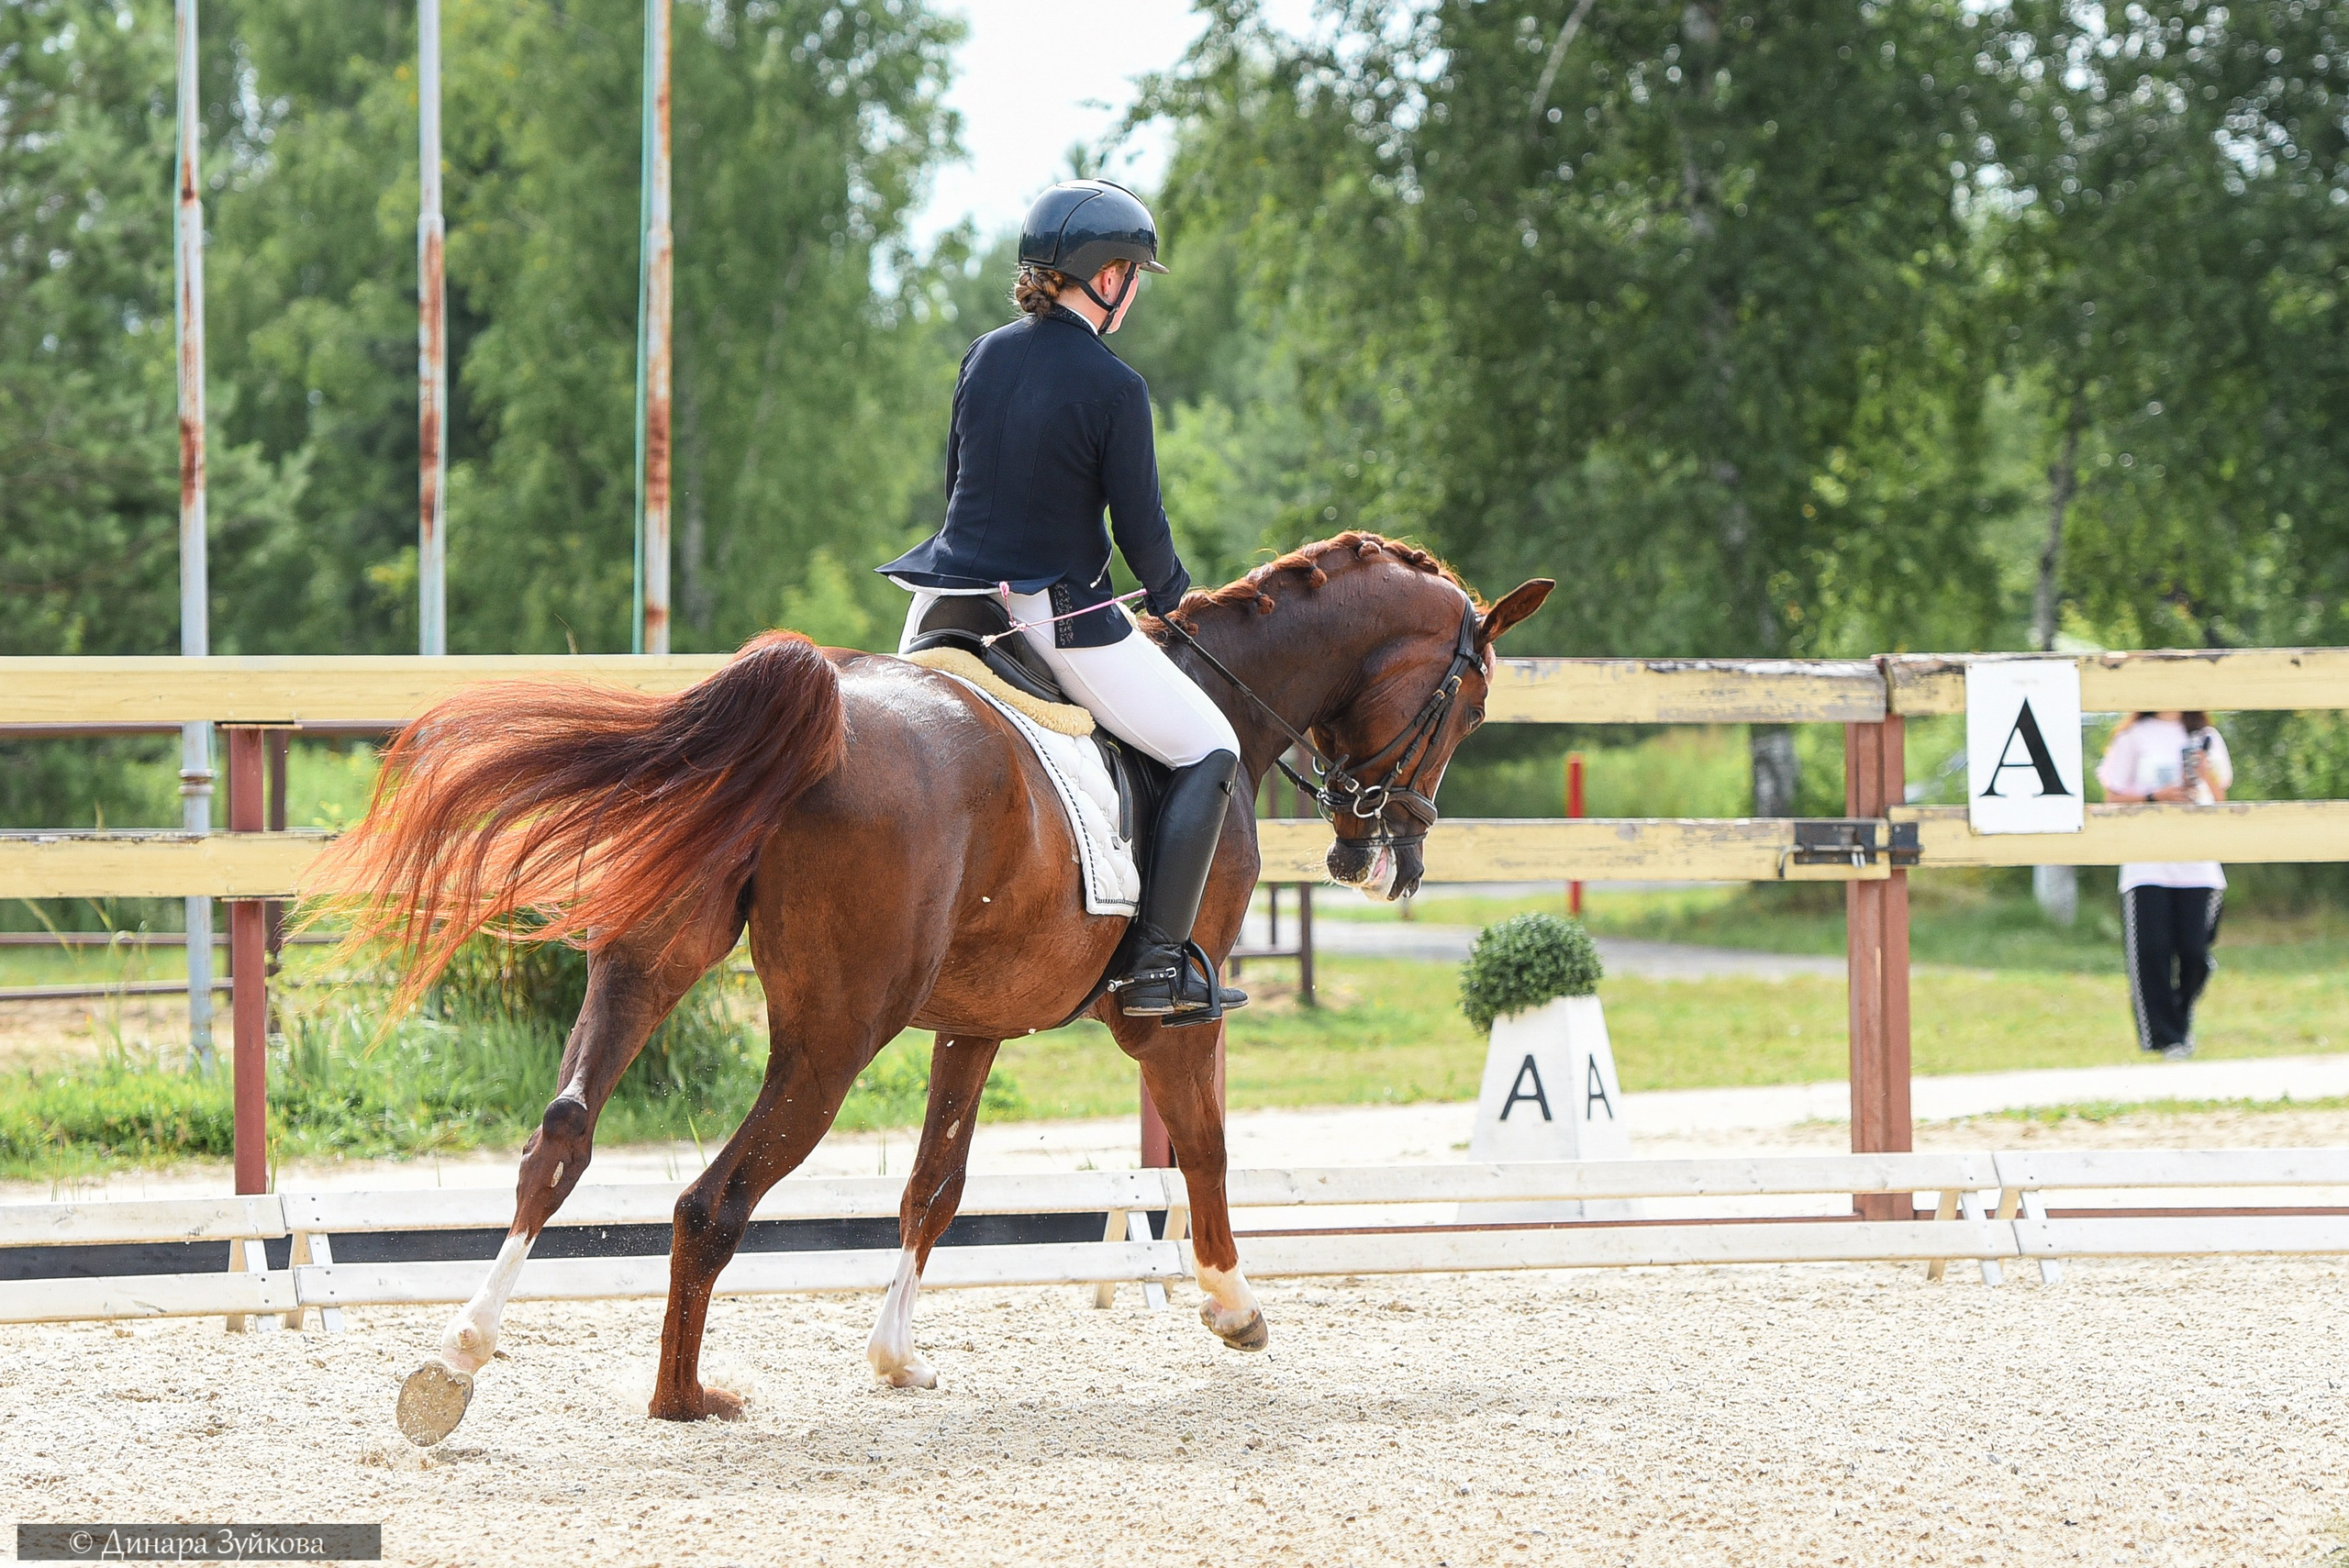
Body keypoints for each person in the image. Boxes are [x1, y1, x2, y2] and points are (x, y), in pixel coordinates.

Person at [877, 179, 1245, 1020]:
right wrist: (1175, 594)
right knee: (1210, 747)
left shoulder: (982, 355)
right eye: (1135, 274)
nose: (1137, 291)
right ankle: (1156, 964)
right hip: (1054, 618)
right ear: (1105, 277)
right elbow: (1141, 535)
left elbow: (956, 488)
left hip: (939, 604)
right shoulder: (1116, 387)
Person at [2094, 711, 2232, 1060]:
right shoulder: (2133, 737)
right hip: (2148, 862)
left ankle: (2178, 1025)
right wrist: (2156, 797)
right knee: (2152, 952)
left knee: (2195, 954)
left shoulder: (2206, 735)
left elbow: (2221, 799)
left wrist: (2203, 772)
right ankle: (2166, 1038)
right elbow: (2112, 799)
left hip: (2198, 864)